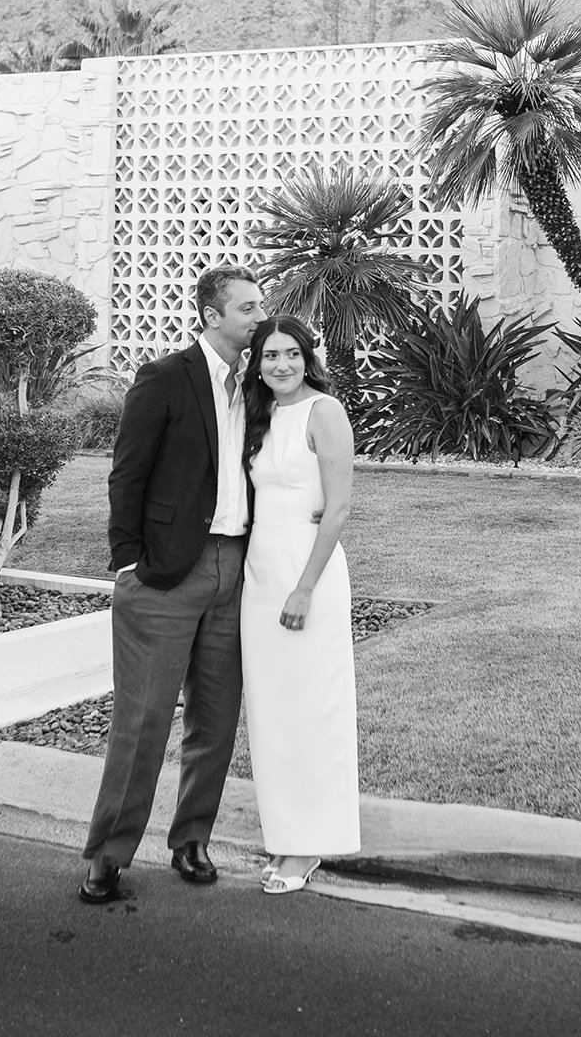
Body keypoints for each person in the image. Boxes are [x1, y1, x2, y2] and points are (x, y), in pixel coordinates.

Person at [79, 264, 265, 903]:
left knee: (216, 718)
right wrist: (127, 559)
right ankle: (109, 852)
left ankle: (192, 839)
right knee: (144, 720)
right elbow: (126, 474)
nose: (257, 318)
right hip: (164, 576)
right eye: (246, 308)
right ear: (213, 315)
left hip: (235, 571)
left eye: (259, 306)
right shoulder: (164, 377)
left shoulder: (259, 386)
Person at [240, 315, 361, 894]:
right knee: (271, 711)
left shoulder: (325, 412)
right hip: (258, 575)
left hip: (305, 576)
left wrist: (305, 587)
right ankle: (284, 834)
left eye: (291, 354)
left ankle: (309, 844)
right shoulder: (258, 415)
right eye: (269, 355)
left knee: (311, 708)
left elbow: (336, 508)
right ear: (256, 362)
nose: (281, 365)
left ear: (307, 357)